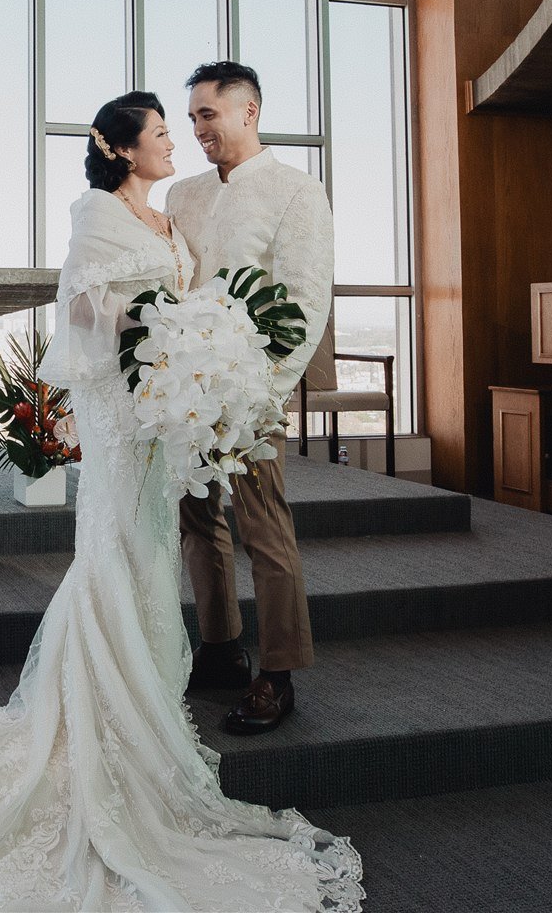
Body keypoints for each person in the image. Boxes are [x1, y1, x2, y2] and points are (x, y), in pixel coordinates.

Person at [0, 94, 362, 912]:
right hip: (130, 411)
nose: (179, 139)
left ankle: (174, 685)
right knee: (126, 546)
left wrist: (207, 358)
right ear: (122, 149)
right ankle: (121, 697)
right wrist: (167, 335)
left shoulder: (196, 209)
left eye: (189, 123)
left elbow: (252, 295)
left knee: (168, 544)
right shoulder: (104, 213)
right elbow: (86, 313)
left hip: (184, 404)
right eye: (165, 130)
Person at [166, 62, 335, 736]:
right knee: (196, 519)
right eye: (191, 118)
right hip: (186, 390)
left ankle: (279, 672)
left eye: (207, 114)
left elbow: (305, 302)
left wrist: (262, 394)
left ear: (249, 112)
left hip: (253, 392)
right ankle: (220, 647)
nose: (197, 129)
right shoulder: (182, 194)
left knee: (263, 526)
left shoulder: (297, 192)